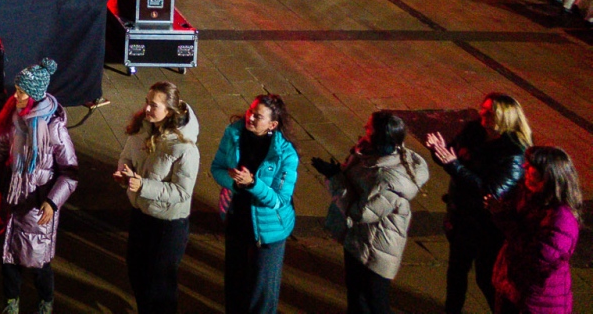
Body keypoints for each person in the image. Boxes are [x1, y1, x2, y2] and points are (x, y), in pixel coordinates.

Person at [0, 57, 78, 314]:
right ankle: (11, 302)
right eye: (16, 90)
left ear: (35, 96)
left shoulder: (54, 128)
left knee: (38, 263)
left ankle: (45, 301)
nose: (15, 96)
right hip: (9, 203)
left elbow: (70, 173)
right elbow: (0, 150)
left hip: (36, 209)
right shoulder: (14, 118)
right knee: (7, 257)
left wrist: (52, 202)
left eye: (21, 92)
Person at [425, 92, 531, 314]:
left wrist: (454, 165)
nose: (482, 113)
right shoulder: (473, 131)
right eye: (483, 108)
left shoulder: (512, 153)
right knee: (456, 273)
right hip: (461, 217)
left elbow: (491, 191)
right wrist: (439, 151)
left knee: (486, 278)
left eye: (489, 112)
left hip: (487, 226)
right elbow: (451, 155)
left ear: (504, 117)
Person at [313, 112, 429, 314]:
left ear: (380, 136)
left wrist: (335, 178)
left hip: (376, 249)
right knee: (358, 299)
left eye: (369, 128)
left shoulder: (389, 179)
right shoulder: (373, 154)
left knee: (373, 303)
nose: (364, 129)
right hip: (360, 241)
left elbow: (360, 213)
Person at [114, 81, 200, 314]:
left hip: (167, 225)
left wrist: (143, 186)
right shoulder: (143, 128)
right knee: (137, 273)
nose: (147, 109)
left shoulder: (185, 148)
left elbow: (182, 191)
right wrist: (124, 172)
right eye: (147, 102)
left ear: (169, 111)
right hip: (141, 214)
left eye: (154, 105)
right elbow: (126, 156)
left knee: (159, 286)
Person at [211, 93, 299, 314]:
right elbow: (217, 168)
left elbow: (280, 200)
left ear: (272, 125)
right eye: (250, 111)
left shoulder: (285, 154)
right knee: (234, 287)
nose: (249, 118)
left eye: (258, 116)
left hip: (268, 231)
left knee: (261, 295)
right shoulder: (234, 134)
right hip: (236, 221)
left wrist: (252, 184)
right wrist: (234, 184)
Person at [490, 146, 581, 314]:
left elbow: (538, 259)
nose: (524, 166)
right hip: (512, 291)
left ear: (548, 175)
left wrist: (504, 219)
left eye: (532, 166)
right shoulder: (528, 196)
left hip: (538, 303)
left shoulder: (561, 218)